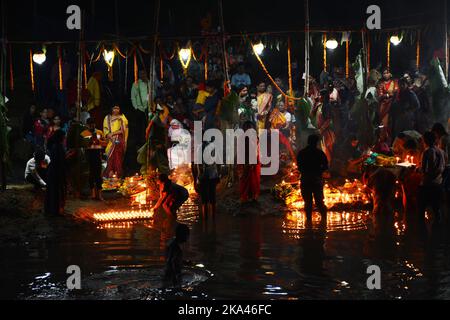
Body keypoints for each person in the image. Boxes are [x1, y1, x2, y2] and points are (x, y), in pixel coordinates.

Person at [296, 134, 328, 220]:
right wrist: (319, 171)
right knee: (319, 202)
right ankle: (324, 222)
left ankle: (309, 223)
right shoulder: (320, 153)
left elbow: (299, 166)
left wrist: (305, 171)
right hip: (316, 180)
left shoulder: (302, 153)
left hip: (306, 180)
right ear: (316, 143)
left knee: (308, 202)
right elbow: (325, 166)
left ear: (308, 142)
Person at [417, 131, 446, 223]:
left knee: (421, 210)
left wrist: (417, 169)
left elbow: (425, 170)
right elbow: (442, 167)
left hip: (427, 185)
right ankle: (438, 234)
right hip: (438, 184)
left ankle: (422, 233)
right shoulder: (441, 151)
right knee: (437, 210)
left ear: (425, 140)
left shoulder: (427, 152)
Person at [193, 142, 220, 220]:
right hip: (212, 176)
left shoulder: (199, 148)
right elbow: (218, 162)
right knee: (212, 199)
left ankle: (206, 223)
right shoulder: (213, 147)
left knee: (204, 201)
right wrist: (218, 175)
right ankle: (213, 221)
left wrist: (197, 179)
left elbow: (197, 165)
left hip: (203, 177)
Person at [81, 118, 107, 200]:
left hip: (97, 154)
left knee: (98, 175)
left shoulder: (99, 132)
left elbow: (105, 143)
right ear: (87, 125)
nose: (92, 125)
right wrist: (90, 141)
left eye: (93, 124)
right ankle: (92, 194)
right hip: (89, 155)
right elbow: (83, 145)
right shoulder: (85, 133)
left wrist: (99, 141)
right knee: (91, 175)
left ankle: (99, 194)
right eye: (90, 124)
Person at [237, 121, 261, 203]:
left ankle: (254, 196)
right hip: (245, 162)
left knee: (254, 179)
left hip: (254, 161)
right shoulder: (243, 138)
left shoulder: (254, 137)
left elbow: (256, 150)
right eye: (248, 128)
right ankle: (245, 197)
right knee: (245, 179)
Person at [45, 130, 67, 216]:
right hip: (56, 172)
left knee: (53, 191)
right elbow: (59, 161)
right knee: (56, 191)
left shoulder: (56, 146)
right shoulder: (58, 147)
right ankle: (55, 211)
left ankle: (53, 210)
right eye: (64, 136)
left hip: (54, 171)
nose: (65, 138)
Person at [103, 105, 129, 178]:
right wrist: (110, 137)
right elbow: (105, 130)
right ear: (111, 109)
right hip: (110, 140)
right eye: (114, 108)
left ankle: (118, 175)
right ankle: (110, 175)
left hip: (119, 139)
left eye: (118, 108)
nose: (116, 110)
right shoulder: (107, 118)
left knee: (117, 157)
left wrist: (114, 134)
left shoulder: (122, 117)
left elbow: (124, 130)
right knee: (110, 156)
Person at [377, 68, 398, 140]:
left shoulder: (395, 82)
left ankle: (391, 140)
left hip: (393, 105)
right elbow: (380, 95)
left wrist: (390, 95)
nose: (386, 74)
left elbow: (396, 92)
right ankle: (382, 139)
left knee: (392, 123)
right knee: (383, 123)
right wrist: (388, 95)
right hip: (384, 106)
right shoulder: (381, 84)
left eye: (387, 73)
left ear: (391, 74)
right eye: (384, 73)